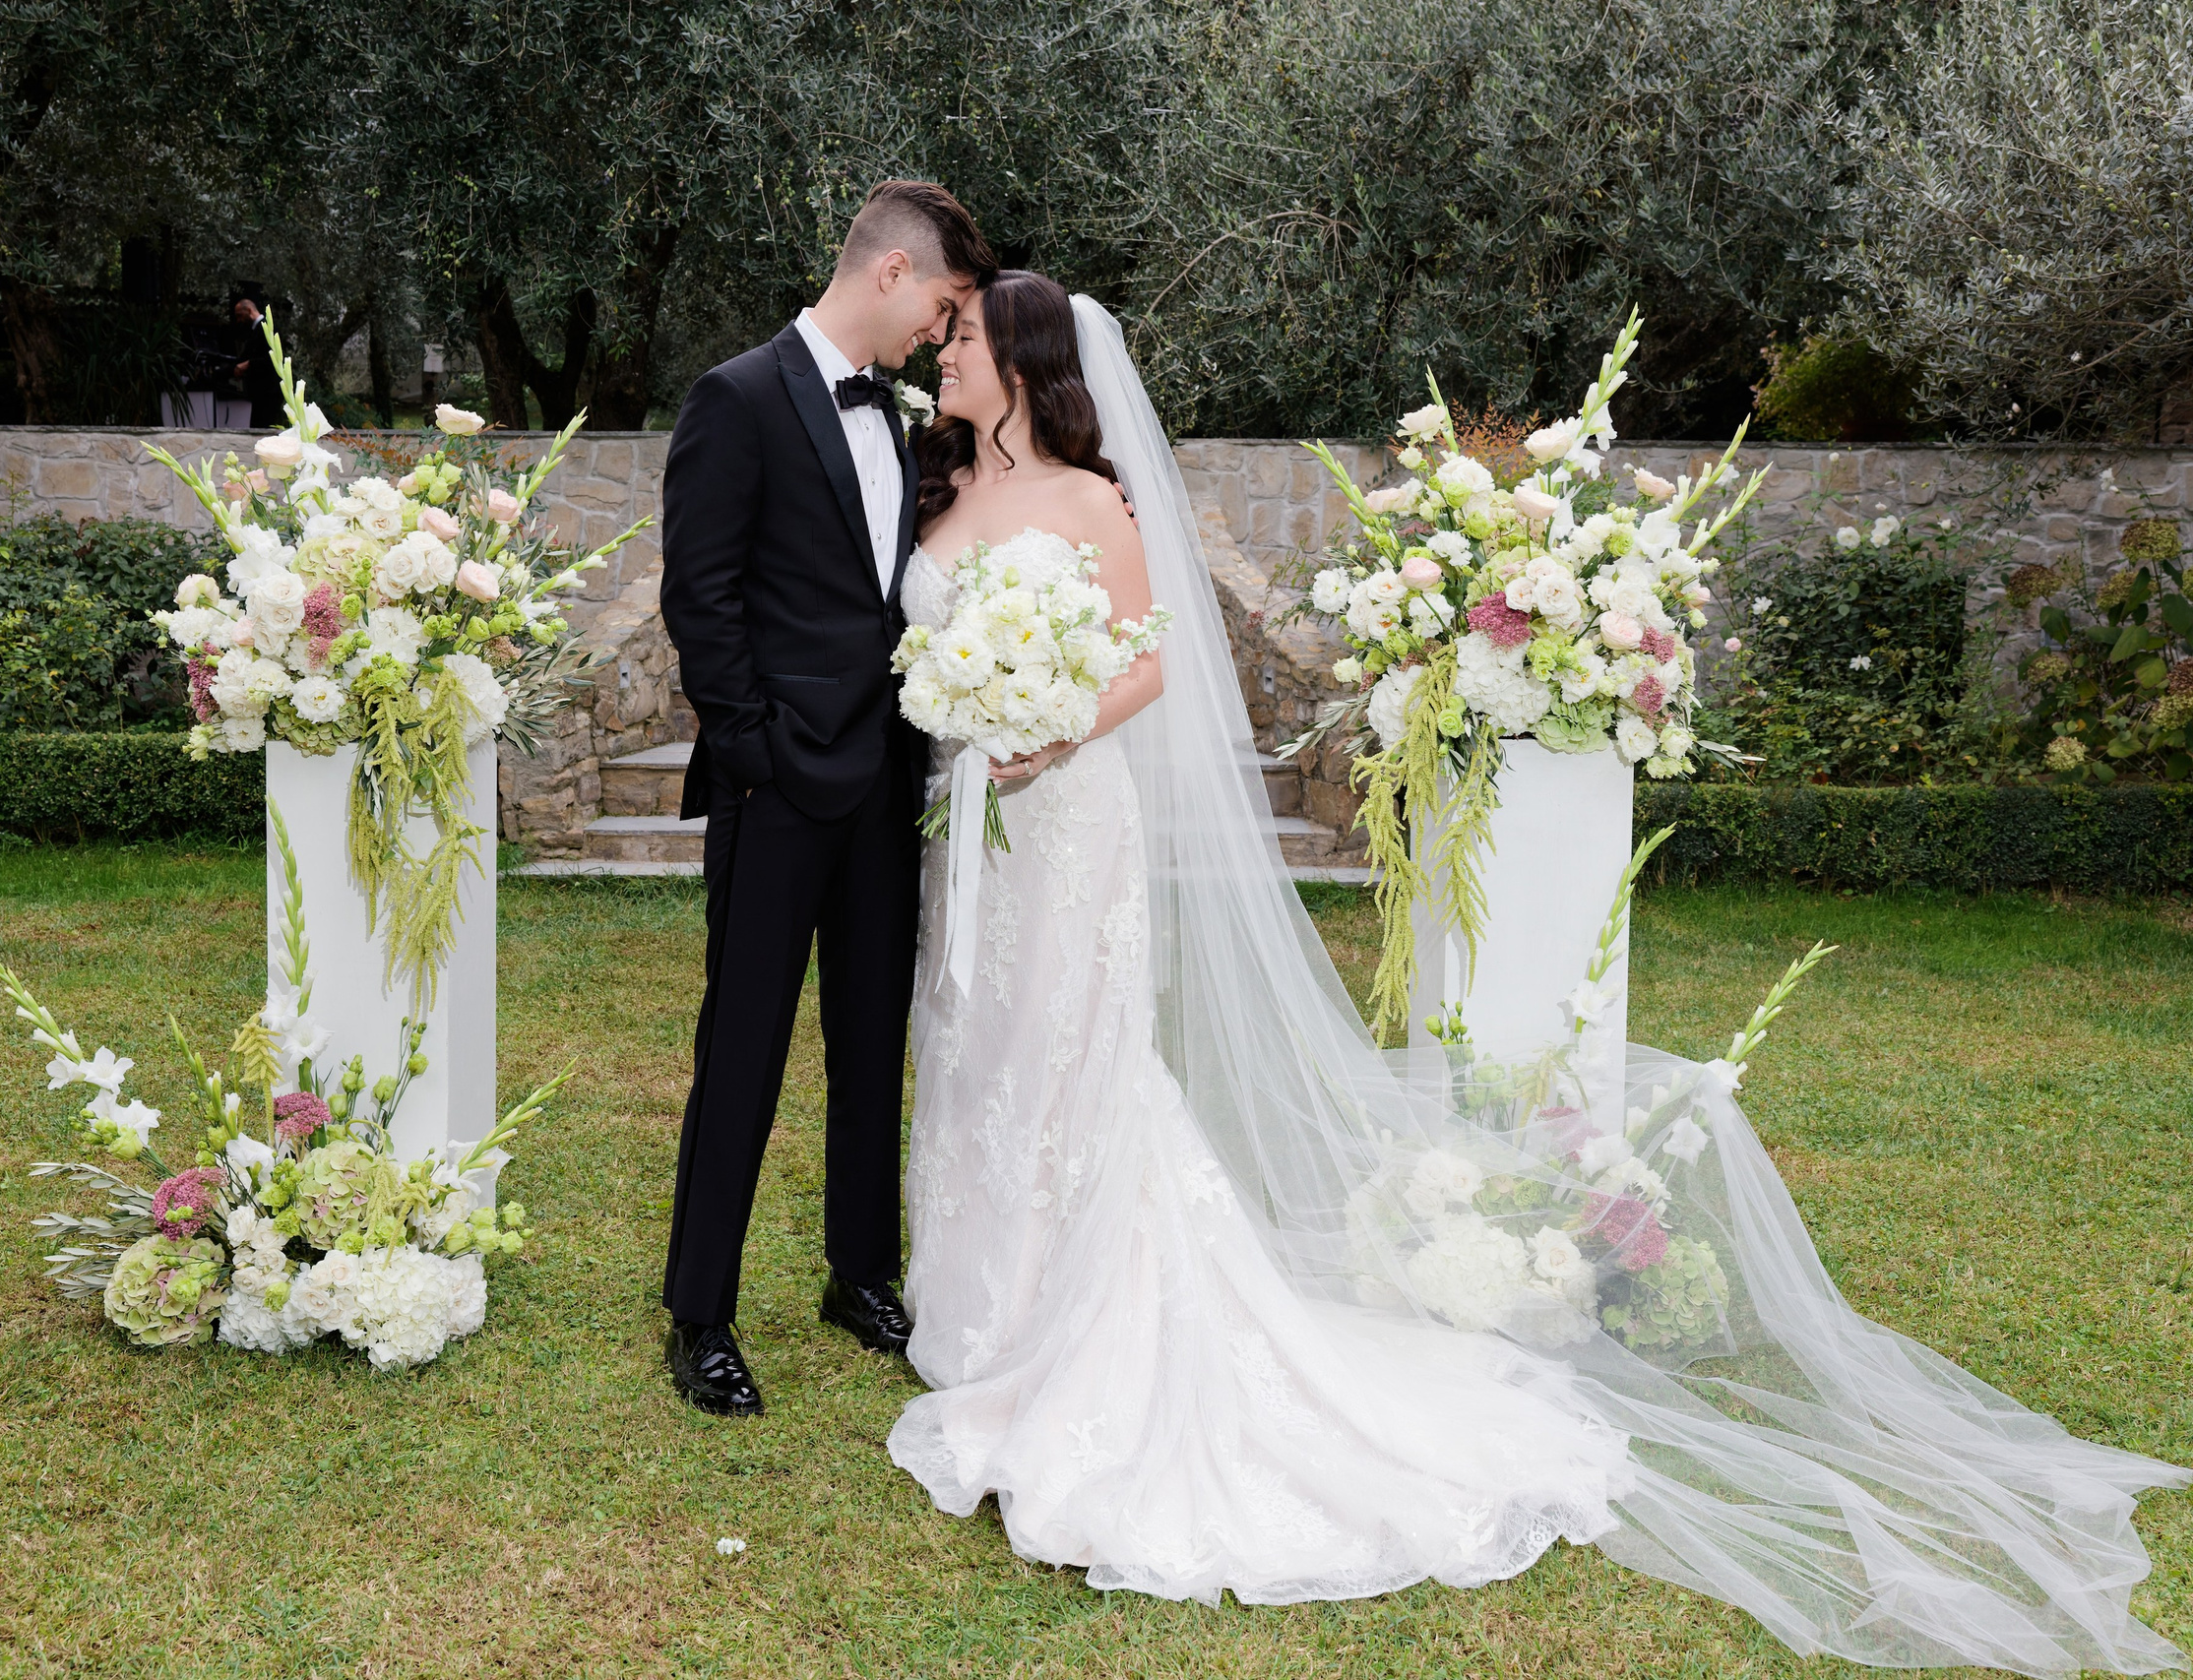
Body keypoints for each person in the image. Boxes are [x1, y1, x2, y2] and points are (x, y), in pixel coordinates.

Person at [886, 273, 2190, 1677]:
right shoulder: (942, 490)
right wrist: (966, 705)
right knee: (978, 1044)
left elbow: (1146, 666)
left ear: (1017, 361)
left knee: (1073, 1057)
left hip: (1072, 823)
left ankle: (1069, 1321)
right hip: (977, 835)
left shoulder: (1092, 499)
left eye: (958, 338)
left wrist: (1049, 721)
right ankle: (978, 1306)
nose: (939, 352)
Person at [655, 181, 995, 1417]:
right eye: (943, 308)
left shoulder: (904, 424)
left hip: (886, 784)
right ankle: (700, 1312)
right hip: (778, 785)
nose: (940, 336)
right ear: (894, 274)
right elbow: (701, 599)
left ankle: (859, 1273)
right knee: (739, 1047)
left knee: (869, 1040)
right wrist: (756, 751)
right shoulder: (734, 398)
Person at [229, 296, 277, 427]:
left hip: (268, 392)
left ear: (249, 310)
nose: (239, 320)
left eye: (240, 315)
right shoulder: (254, 331)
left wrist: (248, 364)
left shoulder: (267, 328)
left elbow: (271, 359)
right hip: (258, 392)